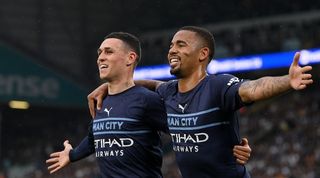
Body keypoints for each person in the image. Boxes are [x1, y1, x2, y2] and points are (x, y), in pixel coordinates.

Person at [88, 26, 313, 178]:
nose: (172, 50)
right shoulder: (168, 91)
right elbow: (152, 84)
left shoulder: (217, 87)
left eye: (181, 45)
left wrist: (287, 80)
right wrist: (111, 86)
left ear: (202, 54)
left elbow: (253, 89)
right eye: (171, 46)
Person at [46, 31, 251, 178]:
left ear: (130, 58)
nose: (100, 57)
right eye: (99, 52)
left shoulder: (148, 100)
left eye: (108, 51)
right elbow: (94, 137)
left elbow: (189, 127)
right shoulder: (101, 100)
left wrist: (233, 147)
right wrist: (72, 155)